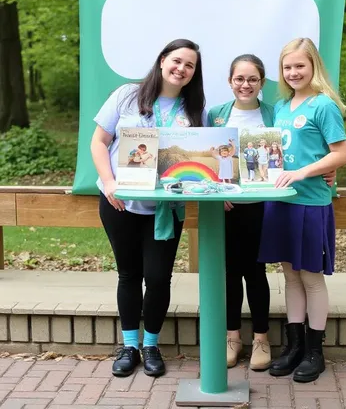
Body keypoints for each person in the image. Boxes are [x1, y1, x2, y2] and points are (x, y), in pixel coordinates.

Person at [91, 39, 205, 378]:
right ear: (161, 61)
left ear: (193, 74)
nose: (181, 69)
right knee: (129, 275)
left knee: (157, 278)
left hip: (165, 210)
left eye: (190, 65)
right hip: (120, 203)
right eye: (177, 61)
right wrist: (110, 183)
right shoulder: (127, 95)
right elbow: (99, 141)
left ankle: (152, 345)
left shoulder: (194, 110)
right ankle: (129, 346)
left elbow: (203, 158)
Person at [259, 37, 346, 383]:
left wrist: (305, 171)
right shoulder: (282, 107)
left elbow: (340, 154)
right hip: (279, 203)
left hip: (310, 203)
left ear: (313, 66)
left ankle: (315, 351)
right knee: (290, 276)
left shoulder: (323, 105)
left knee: (311, 277)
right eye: (287, 67)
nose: (294, 72)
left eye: (300, 65)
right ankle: (294, 347)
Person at [207, 54, 274, 371]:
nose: (245, 85)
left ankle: (262, 339)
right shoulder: (216, 115)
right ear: (230, 81)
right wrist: (216, 193)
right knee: (230, 274)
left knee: (256, 273)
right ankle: (232, 338)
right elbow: (206, 157)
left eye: (252, 79)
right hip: (227, 209)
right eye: (239, 79)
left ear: (261, 82)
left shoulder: (273, 115)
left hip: (262, 208)